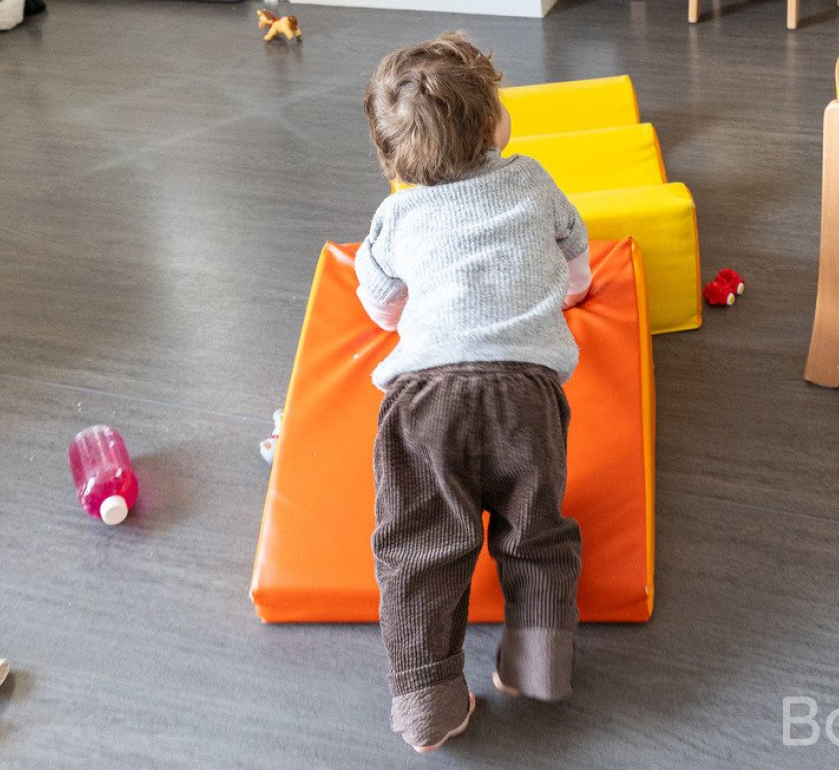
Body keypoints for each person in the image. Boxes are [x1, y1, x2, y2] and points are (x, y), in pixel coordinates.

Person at [355, 33, 590, 753]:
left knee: (421, 547)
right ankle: (538, 663)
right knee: (536, 530)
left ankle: (428, 703)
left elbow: (380, 305)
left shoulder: (396, 217)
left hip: (426, 400)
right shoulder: (533, 181)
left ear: (393, 156)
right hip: (526, 391)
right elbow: (576, 267)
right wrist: (561, 290)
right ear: (494, 123)